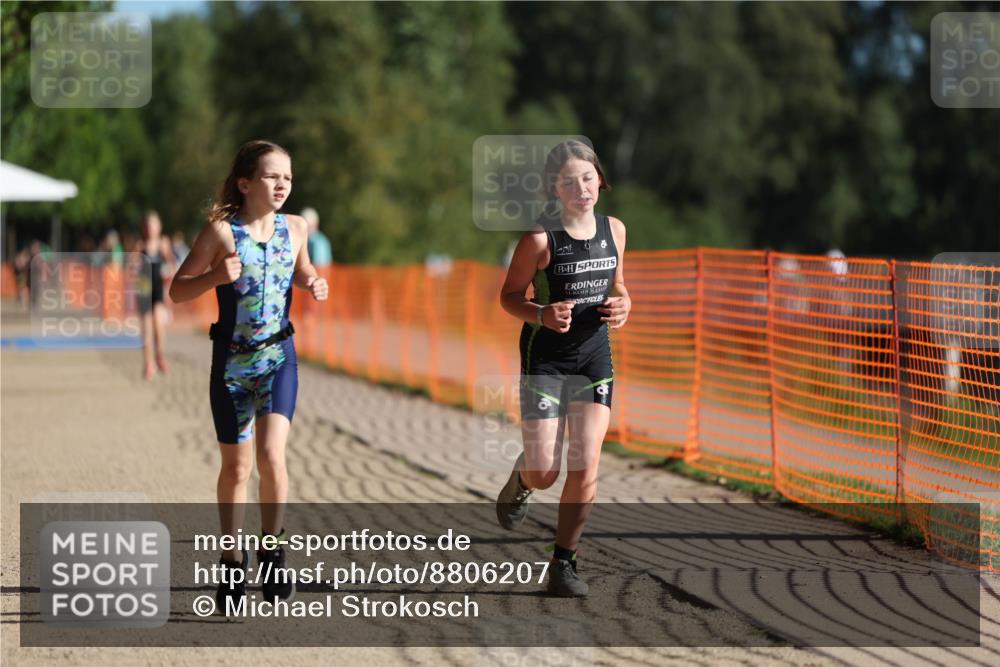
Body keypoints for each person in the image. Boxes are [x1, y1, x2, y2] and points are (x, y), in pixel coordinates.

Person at [168, 140, 328, 612]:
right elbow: (178, 290)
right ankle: (232, 560)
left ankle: (273, 551)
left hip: (279, 356)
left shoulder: (296, 228)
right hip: (232, 365)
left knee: (273, 456)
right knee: (237, 469)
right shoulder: (222, 234)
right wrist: (214, 278)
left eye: (289, 178)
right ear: (245, 183)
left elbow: (301, 269)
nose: (283, 185)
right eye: (273, 176)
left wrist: (312, 280)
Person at [495, 140, 631, 597]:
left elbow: (618, 285)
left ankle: (563, 563)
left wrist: (624, 304)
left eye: (588, 178)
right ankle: (523, 476)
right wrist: (541, 314)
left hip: (594, 355)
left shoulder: (616, 230)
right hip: (546, 359)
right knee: (546, 471)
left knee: (587, 461)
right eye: (569, 182)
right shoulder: (538, 239)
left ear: (600, 179)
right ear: (554, 188)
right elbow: (509, 296)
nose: (581, 189)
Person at [134, 211, 175, 380]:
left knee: (159, 325)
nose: (151, 228)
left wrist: (168, 272)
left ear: (159, 227)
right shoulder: (139, 245)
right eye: (148, 225)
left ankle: (160, 356)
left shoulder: (163, 244)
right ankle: (148, 363)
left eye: (154, 225)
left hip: (158, 289)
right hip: (143, 288)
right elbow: (132, 267)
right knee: (146, 329)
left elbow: (172, 265)